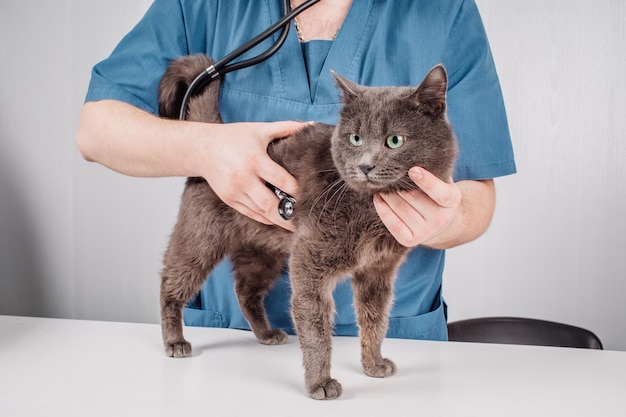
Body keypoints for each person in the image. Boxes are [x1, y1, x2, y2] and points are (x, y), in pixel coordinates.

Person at [76, 0, 516, 340]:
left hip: (392, 336)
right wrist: (203, 147)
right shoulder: (207, 5)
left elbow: (478, 194)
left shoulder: (443, 11)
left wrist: (445, 218)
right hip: (228, 339)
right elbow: (96, 130)